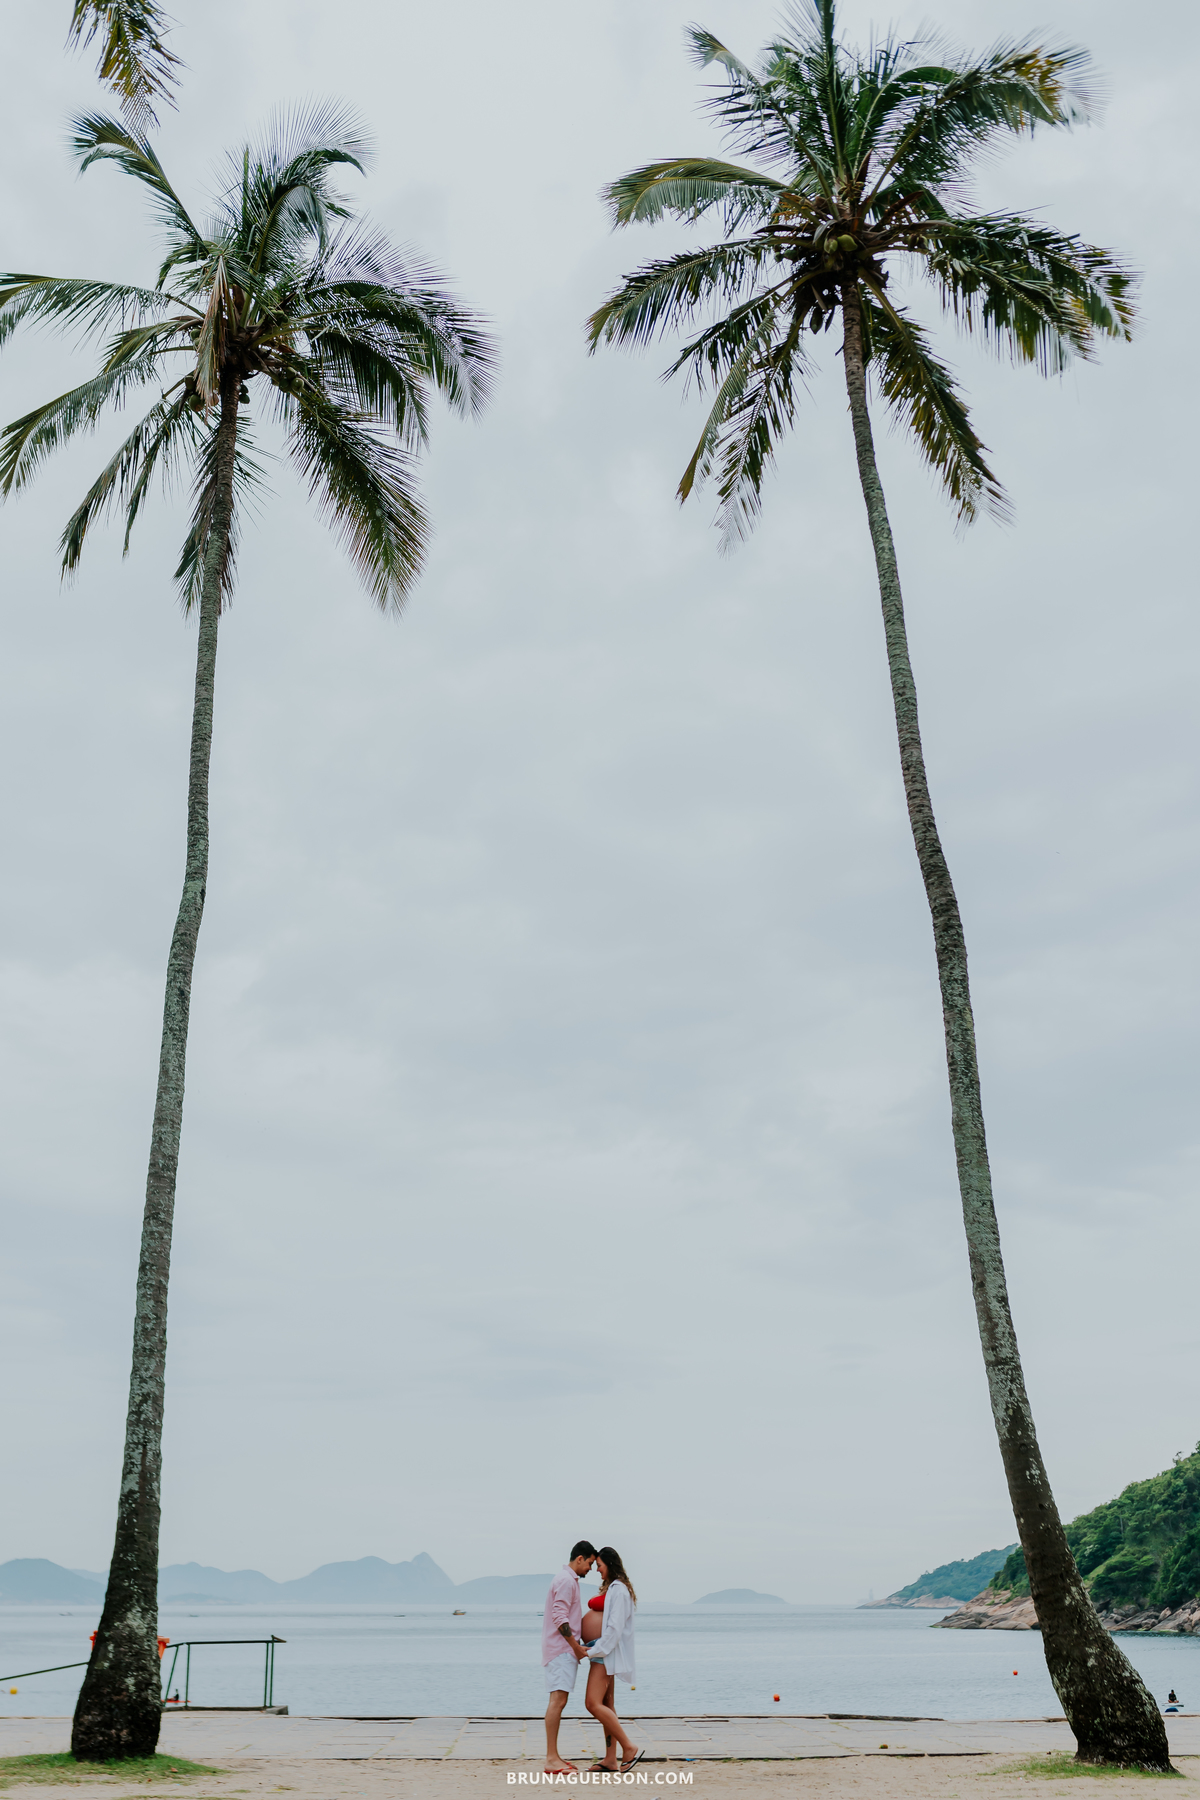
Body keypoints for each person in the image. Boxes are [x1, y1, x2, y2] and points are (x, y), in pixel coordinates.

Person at [585, 1546, 643, 1773]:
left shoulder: (618, 1590)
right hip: (601, 1651)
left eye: (599, 1566)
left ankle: (628, 1747)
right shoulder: (615, 1588)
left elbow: (614, 1629)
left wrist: (591, 1651)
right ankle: (610, 1759)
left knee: (592, 1703)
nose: (597, 1570)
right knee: (607, 1704)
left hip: (604, 1653)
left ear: (609, 1564)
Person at [542, 1540, 596, 1775]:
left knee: (559, 1701)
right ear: (580, 1558)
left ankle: (554, 1756)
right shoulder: (566, 1580)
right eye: (590, 1564)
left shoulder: (568, 1580)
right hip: (561, 1650)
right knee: (557, 1702)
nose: (591, 1569)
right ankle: (551, 1759)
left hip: (562, 1650)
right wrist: (575, 1647)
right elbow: (559, 1616)